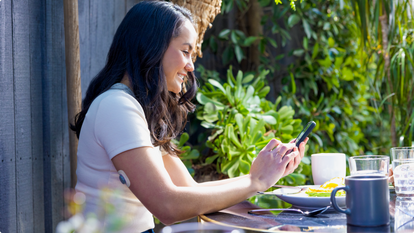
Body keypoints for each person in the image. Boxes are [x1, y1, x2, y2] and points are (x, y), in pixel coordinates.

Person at [71, 1, 309, 232]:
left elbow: (189, 189)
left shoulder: (137, 108)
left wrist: (264, 195)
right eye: (185, 51)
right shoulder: (116, 106)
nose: (191, 66)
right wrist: (256, 181)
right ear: (151, 46)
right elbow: (168, 205)